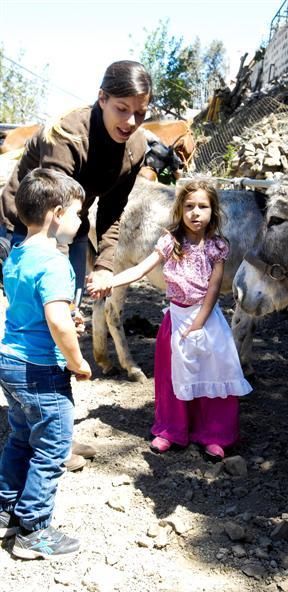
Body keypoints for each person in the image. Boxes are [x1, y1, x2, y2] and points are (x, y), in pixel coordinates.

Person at [0, 59, 152, 469]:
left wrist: (103, 266)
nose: (132, 120)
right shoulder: (68, 135)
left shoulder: (136, 147)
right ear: (101, 98)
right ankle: (43, 429)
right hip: (26, 221)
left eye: (141, 111)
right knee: (44, 323)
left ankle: (54, 428)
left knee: (68, 319)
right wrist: (62, 284)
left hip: (71, 222)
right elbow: (49, 212)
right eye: (122, 108)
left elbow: (114, 212)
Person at [87, 180, 252, 459]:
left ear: (213, 211)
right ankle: (170, 430)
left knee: (213, 375)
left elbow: (213, 289)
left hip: (207, 321)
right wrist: (111, 280)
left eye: (203, 206)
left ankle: (215, 435)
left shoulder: (217, 247)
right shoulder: (169, 242)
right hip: (175, 320)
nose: (195, 213)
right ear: (179, 209)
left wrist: (199, 321)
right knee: (171, 379)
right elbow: (139, 269)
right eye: (189, 206)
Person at [0, 168, 91, 559]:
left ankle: (6, 510)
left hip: (10, 362)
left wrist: (68, 314)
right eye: (76, 213)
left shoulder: (18, 253)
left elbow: (35, 308)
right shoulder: (55, 262)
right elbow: (55, 320)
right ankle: (33, 531)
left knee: (21, 437)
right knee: (53, 446)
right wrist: (77, 360)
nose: (80, 220)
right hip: (41, 370)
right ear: (56, 213)